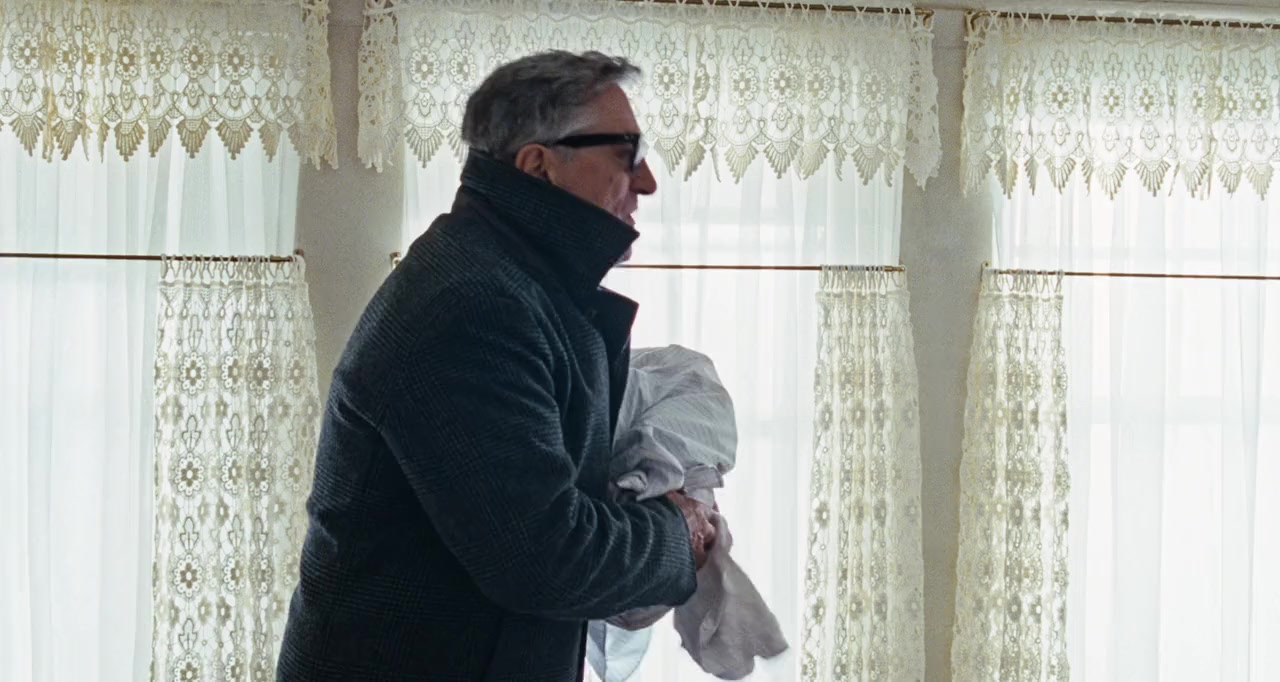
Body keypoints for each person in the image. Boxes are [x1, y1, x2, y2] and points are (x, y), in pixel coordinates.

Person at [277, 51, 717, 681]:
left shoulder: (509, 285)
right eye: (627, 152)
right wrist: (678, 531)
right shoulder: (474, 304)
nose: (646, 181)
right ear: (539, 166)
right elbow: (545, 557)